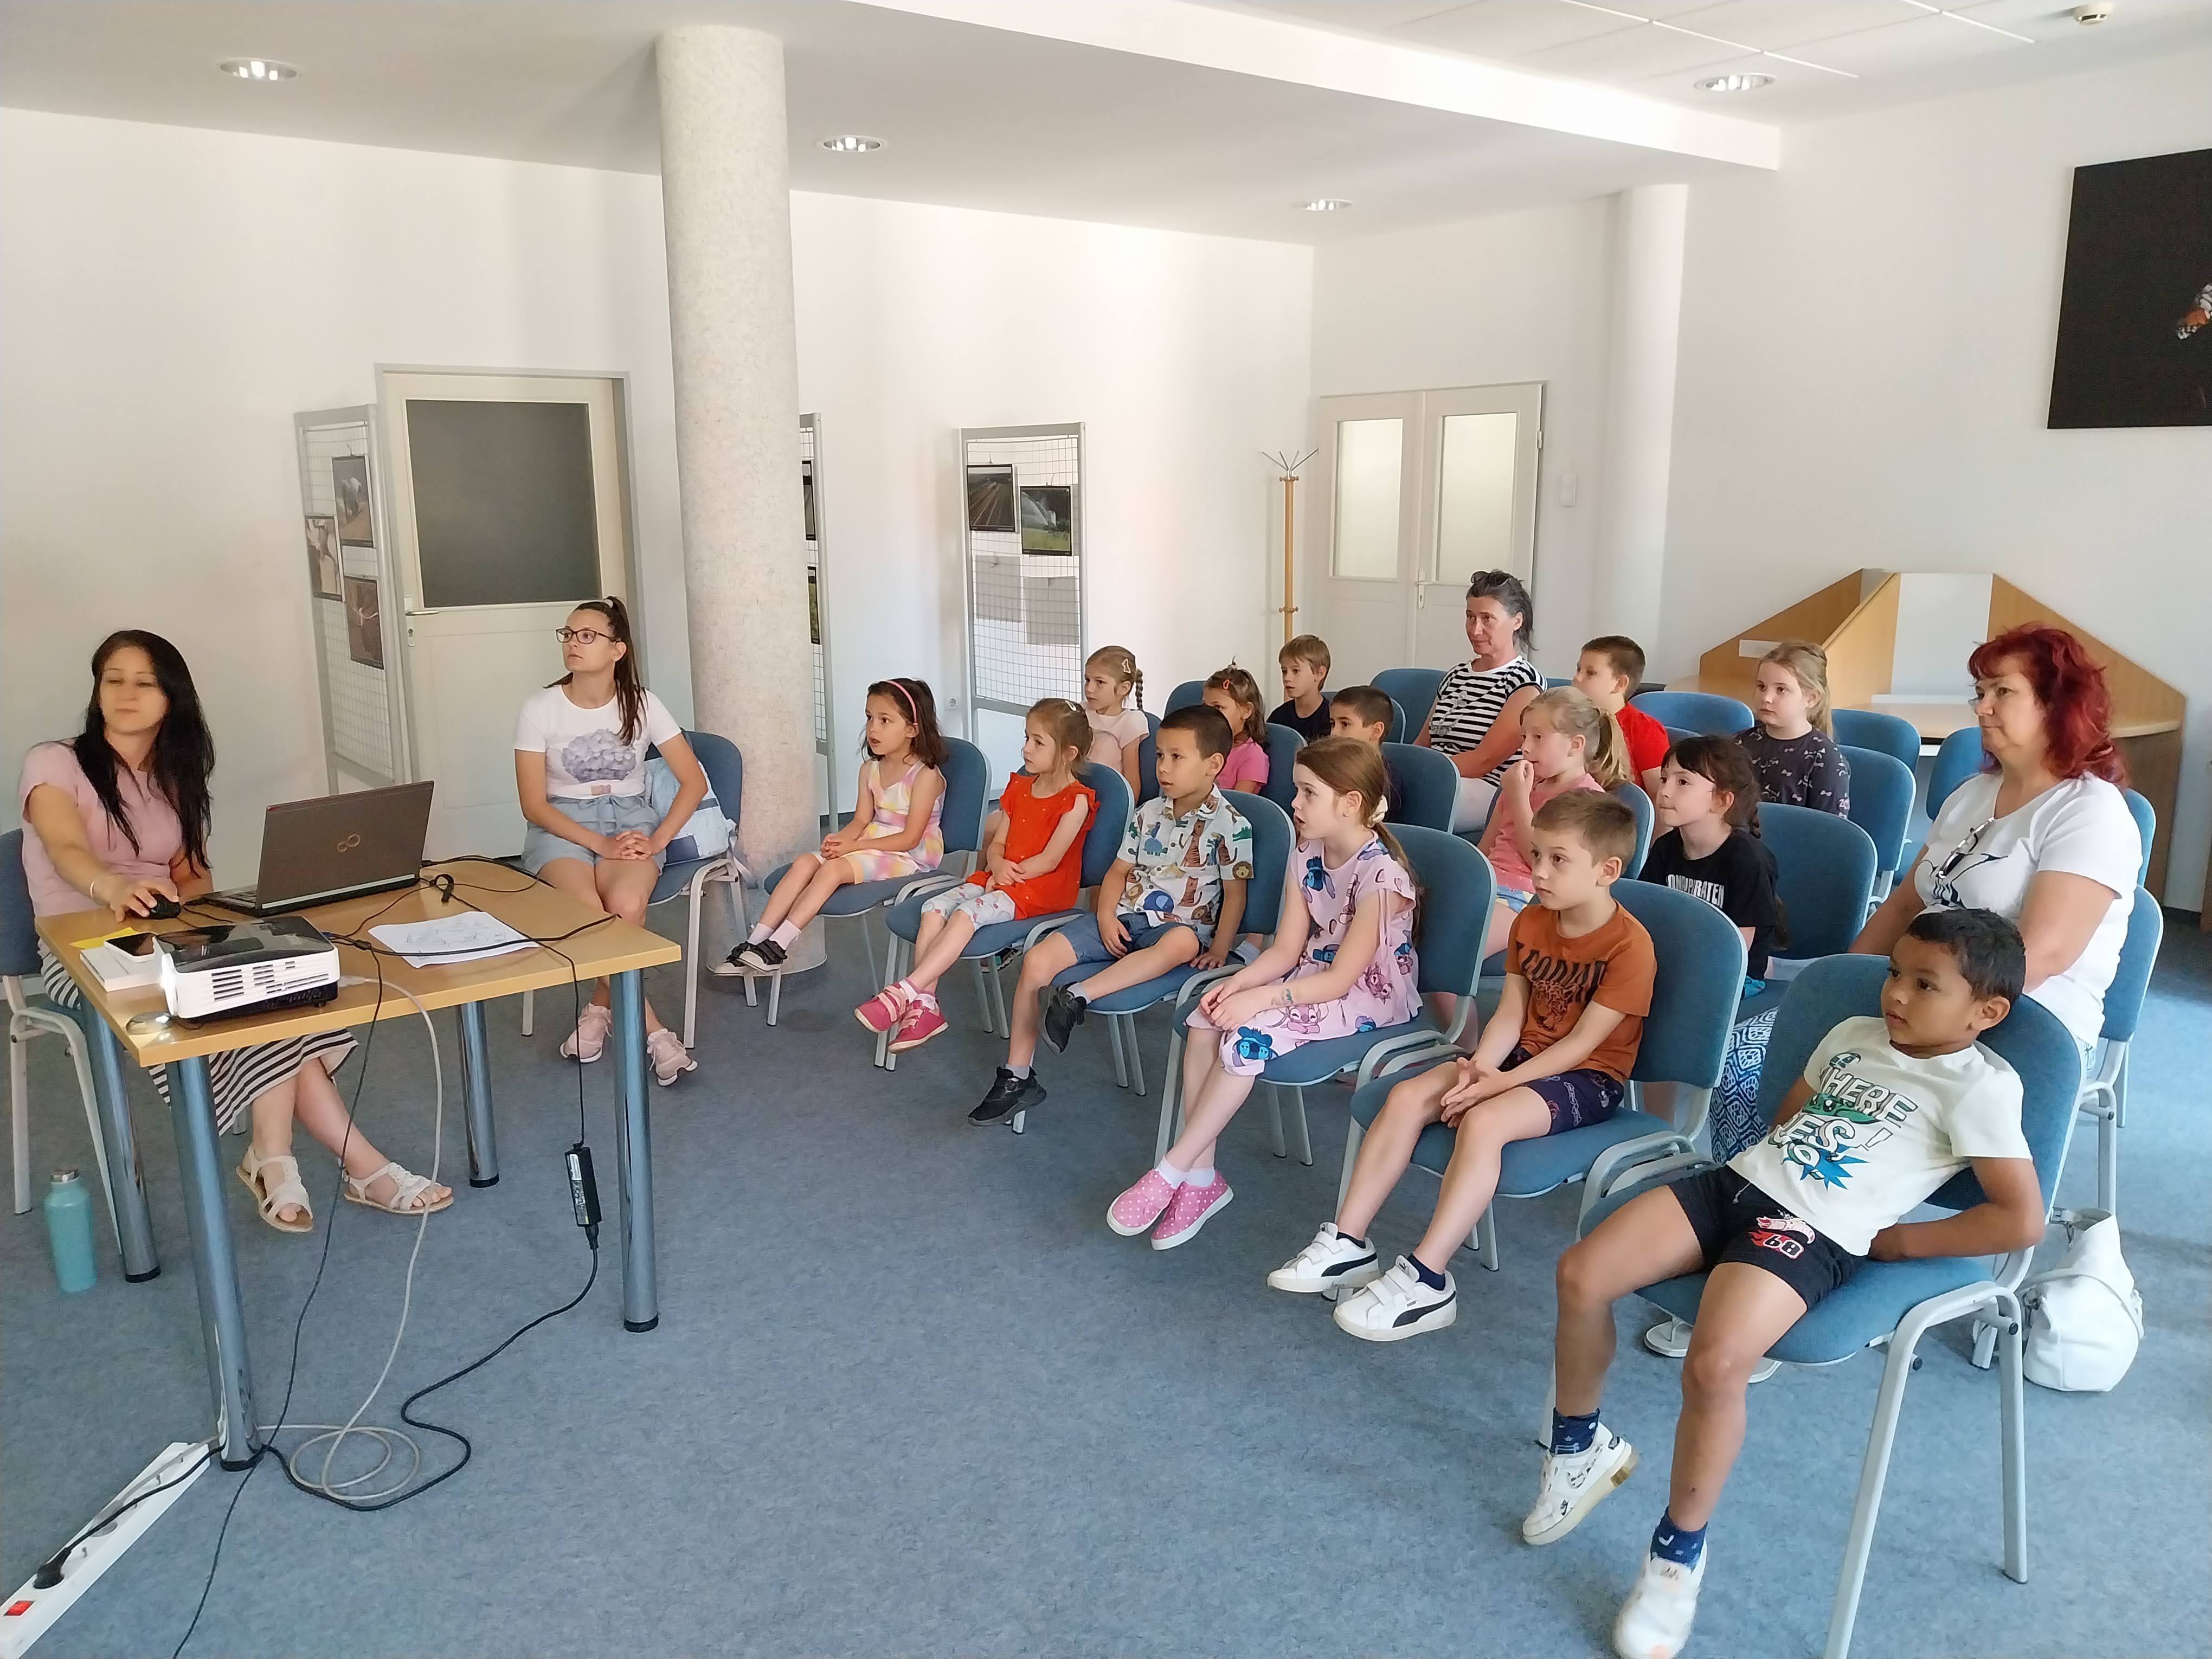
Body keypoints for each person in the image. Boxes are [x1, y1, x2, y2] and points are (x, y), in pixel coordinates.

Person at [1534, 910, 2044, 1659]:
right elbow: (1790, 1116)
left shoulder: (1980, 1087)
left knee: (1715, 1365)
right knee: (1581, 1274)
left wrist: (1901, 1242)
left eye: (1925, 984)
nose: (1896, 994)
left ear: (1986, 1013)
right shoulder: (1855, 1034)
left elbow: (2020, 1219)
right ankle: (1581, 1451)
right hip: (1735, 1185)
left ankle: (1677, 1558)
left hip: (1813, 1229)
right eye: (1895, 974)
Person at [21, 631, 449, 1233]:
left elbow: (192, 877)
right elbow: (65, 847)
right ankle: (343, 1165)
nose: (125, 693)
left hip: (165, 938)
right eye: (113, 680)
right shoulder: (55, 762)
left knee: (270, 988)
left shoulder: (174, 776)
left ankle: (281, 1159)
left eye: (144, 682)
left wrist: (222, 926)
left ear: (172, 697)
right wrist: (113, 888)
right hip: (81, 951)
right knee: (244, 1000)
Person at [1275, 793, 1651, 1341]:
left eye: (1558, 860)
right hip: (1517, 1060)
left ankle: (1428, 1278)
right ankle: (1349, 1242)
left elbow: (1581, 1046)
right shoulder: (1532, 922)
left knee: (1484, 1121)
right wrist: (1480, 1068)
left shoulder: (1630, 947)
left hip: (1589, 1076)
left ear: (1607, 871)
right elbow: (1512, 1014)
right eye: (1537, 855)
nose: (1539, 872)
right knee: (1407, 1097)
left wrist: (1498, 1085)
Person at [1107, 738, 1417, 1252]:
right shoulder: (1307, 852)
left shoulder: (1383, 878)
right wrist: (1236, 985)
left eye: (1308, 793)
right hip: (1311, 975)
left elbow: (1342, 982)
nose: (1294, 803)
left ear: (1350, 803)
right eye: (1297, 790)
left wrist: (1261, 1001)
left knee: (1246, 1036)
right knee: (1208, 1017)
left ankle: (1172, 1168)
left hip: (1367, 994)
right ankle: (1202, 1179)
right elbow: (1286, 951)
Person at [973, 704, 1253, 1125]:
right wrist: (1105, 916)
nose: (1163, 767)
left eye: (1177, 757)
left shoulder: (1232, 825)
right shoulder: (1148, 813)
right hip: (1123, 917)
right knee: (1037, 960)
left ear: (1213, 765)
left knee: (1182, 943)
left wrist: (1220, 948)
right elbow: (1118, 872)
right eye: (1159, 756)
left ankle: (1077, 997)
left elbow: (1235, 894)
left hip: (1179, 928)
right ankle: (1017, 1077)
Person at [514, 597, 706, 1086]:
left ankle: (600, 1008)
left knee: (625, 905)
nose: (573, 644)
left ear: (617, 649)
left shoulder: (643, 704)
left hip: (631, 820)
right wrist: (597, 845)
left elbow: (693, 782)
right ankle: (654, 1032)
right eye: (568, 634)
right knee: (586, 915)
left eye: (587, 636)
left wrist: (658, 839)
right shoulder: (540, 708)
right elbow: (534, 805)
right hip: (561, 825)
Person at [856, 699, 1096, 1054]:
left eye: (1038, 742)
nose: (1026, 749)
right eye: (1026, 738)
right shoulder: (1019, 788)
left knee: (967, 913)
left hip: (1040, 890)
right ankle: (925, 1006)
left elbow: (1049, 861)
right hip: (1002, 877)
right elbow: (998, 843)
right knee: (933, 909)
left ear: (1068, 754)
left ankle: (906, 991)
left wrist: (1006, 877)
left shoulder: (1075, 800)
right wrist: (997, 866)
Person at [718, 678, 946, 976]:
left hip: (908, 856)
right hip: (871, 844)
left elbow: (910, 839)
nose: (873, 729)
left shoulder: (925, 776)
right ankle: (754, 943)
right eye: (869, 718)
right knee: (804, 862)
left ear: (912, 730)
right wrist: (839, 840)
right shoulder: (870, 769)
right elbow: (861, 821)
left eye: (885, 720)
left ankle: (778, 946)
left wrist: (854, 847)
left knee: (833, 870)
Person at [1477, 687, 1629, 958]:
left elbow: (1539, 861)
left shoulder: (1586, 800)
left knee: (1457, 951)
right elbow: (1485, 847)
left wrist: (1518, 798)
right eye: (1525, 737)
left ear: (1575, 745)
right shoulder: (1521, 784)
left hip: (1529, 896)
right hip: (1486, 883)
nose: (1525, 748)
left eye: (1538, 737)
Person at [1641, 736, 1783, 999]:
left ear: (1721, 801)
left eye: (1683, 782)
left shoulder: (1748, 862)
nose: (1665, 792)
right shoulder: (1665, 849)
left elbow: (1735, 950)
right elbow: (1646, 916)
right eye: (1664, 779)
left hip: (1732, 977)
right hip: (1674, 964)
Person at [1414, 569, 1543, 832]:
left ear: (1517, 621)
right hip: (1436, 777)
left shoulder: (1525, 683)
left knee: (1414, 797)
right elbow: (1422, 743)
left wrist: (1422, 774)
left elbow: (1484, 761)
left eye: (1487, 619)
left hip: (1487, 788)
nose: (1475, 630)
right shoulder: (1455, 675)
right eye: (1470, 617)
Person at [1737, 641, 1850, 816]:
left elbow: (1829, 829)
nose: (1766, 698)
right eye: (1762, 687)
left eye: (1781, 690)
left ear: (1811, 699)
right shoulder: (1740, 743)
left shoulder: (1826, 760)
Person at [1576, 635, 1668, 794]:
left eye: (1590, 673)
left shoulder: (1646, 732)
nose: (1577, 678)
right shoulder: (1571, 719)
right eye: (1579, 669)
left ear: (1620, 684)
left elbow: (1658, 796)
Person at [1327, 686, 1406, 822]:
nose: (1334, 733)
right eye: (1333, 724)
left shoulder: (1387, 780)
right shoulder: (1327, 768)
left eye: (1345, 724)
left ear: (1376, 731)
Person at [1082, 645, 1148, 800]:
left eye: (1100, 682)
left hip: (1106, 799)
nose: (1089, 689)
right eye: (1088, 680)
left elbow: (1132, 784)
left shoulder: (1129, 722)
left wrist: (1124, 812)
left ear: (1123, 688)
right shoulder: (1081, 712)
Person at [1201, 664, 1271, 793]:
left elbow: (1239, 802)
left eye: (1218, 707)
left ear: (1246, 711)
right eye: (1205, 706)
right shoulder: (1201, 746)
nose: (1208, 714)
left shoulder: (1253, 756)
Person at [1271, 634, 1334, 743]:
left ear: (1320, 673)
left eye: (1296, 671)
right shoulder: (1278, 717)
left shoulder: (1332, 720)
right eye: (1284, 671)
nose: (1287, 678)